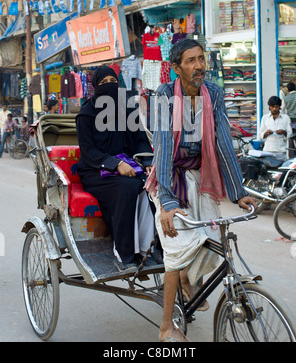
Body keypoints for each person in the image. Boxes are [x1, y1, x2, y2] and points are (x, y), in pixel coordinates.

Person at [145, 39, 257, 342]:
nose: (199, 66)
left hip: (201, 175)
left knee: (213, 235)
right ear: (177, 68)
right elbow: (164, 150)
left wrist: (237, 191)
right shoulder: (165, 95)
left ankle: (188, 279)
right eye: (191, 61)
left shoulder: (215, 94)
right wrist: (166, 203)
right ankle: (166, 326)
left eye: (202, 59)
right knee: (177, 249)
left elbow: (223, 144)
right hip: (169, 180)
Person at [76, 66, 154, 272]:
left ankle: (148, 249)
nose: (109, 85)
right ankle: (124, 254)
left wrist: (147, 163)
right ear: (95, 87)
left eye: (113, 81)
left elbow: (140, 140)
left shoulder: (126, 110)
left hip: (128, 167)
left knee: (149, 187)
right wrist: (115, 164)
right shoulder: (86, 114)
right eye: (104, 83)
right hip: (95, 171)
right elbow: (88, 151)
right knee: (127, 187)